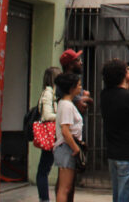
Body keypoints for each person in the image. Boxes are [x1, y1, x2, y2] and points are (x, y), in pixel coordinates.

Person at [99, 59, 129, 202]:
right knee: (128, 196)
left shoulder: (104, 95)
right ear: (122, 75)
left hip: (113, 152)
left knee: (118, 195)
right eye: (127, 70)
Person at [53, 72, 84, 202]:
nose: (80, 87)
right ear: (71, 88)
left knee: (66, 187)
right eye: (78, 85)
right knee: (65, 188)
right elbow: (65, 130)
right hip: (67, 148)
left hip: (66, 147)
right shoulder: (67, 105)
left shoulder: (65, 103)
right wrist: (75, 148)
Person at [35, 66, 61, 202]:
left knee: (45, 168)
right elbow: (46, 115)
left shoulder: (53, 93)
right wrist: (61, 116)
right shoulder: (48, 93)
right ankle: (44, 198)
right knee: (43, 169)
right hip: (50, 134)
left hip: (54, 134)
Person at [60, 49, 93, 113]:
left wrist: (84, 98)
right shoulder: (65, 83)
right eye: (78, 60)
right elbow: (82, 107)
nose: (81, 63)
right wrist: (87, 98)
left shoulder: (73, 80)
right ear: (70, 65)